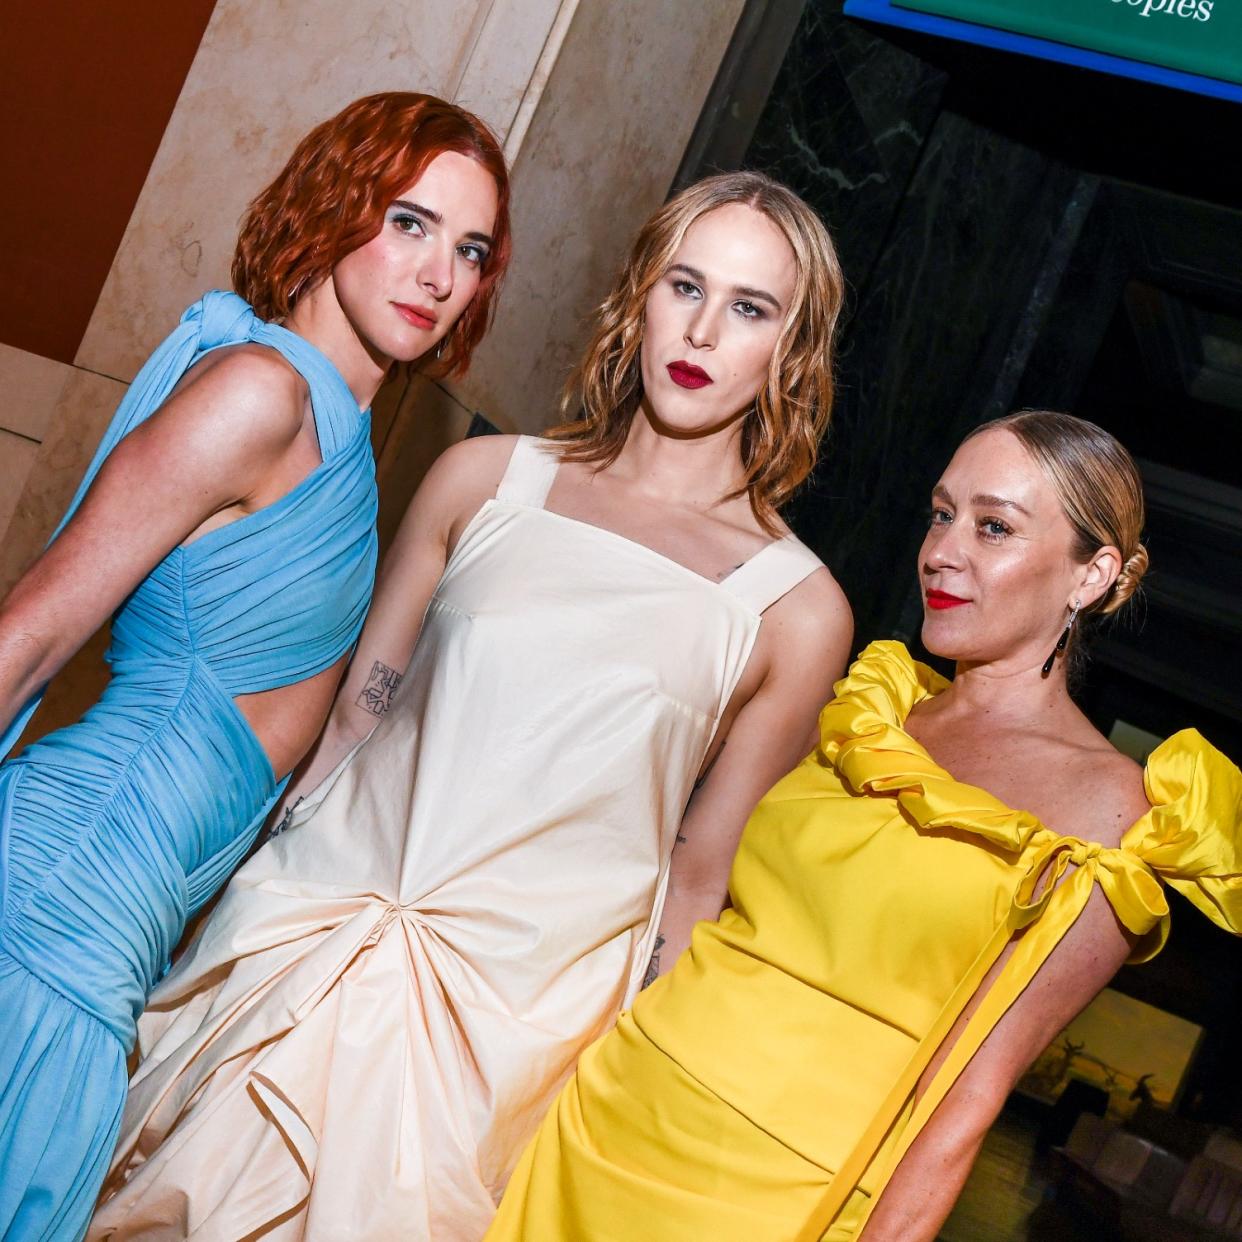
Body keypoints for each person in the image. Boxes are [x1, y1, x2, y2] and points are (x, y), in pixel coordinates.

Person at [89, 171, 854, 1240]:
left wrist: (630, 1104)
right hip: (305, 939)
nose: (703, 329)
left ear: (792, 350)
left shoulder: (796, 609)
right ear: (639, 295)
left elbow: (699, 874)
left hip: (509, 1033)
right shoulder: (484, 479)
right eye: (686, 285)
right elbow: (349, 720)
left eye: (751, 308)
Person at [487, 410, 1242, 1242]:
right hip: (611, 1115)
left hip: (782, 1200)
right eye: (941, 513)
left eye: (994, 527)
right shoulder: (874, 710)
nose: (943, 551)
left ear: (1091, 575)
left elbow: (965, 1102)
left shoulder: (1110, 813)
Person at [0, 91, 510, 1240]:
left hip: (121, 926)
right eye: (409, 222)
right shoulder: (260, 394)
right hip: (52, 901)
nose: (438, 272)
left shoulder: (341, 437)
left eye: (469, 249)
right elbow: (29, 632)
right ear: (335, 210)